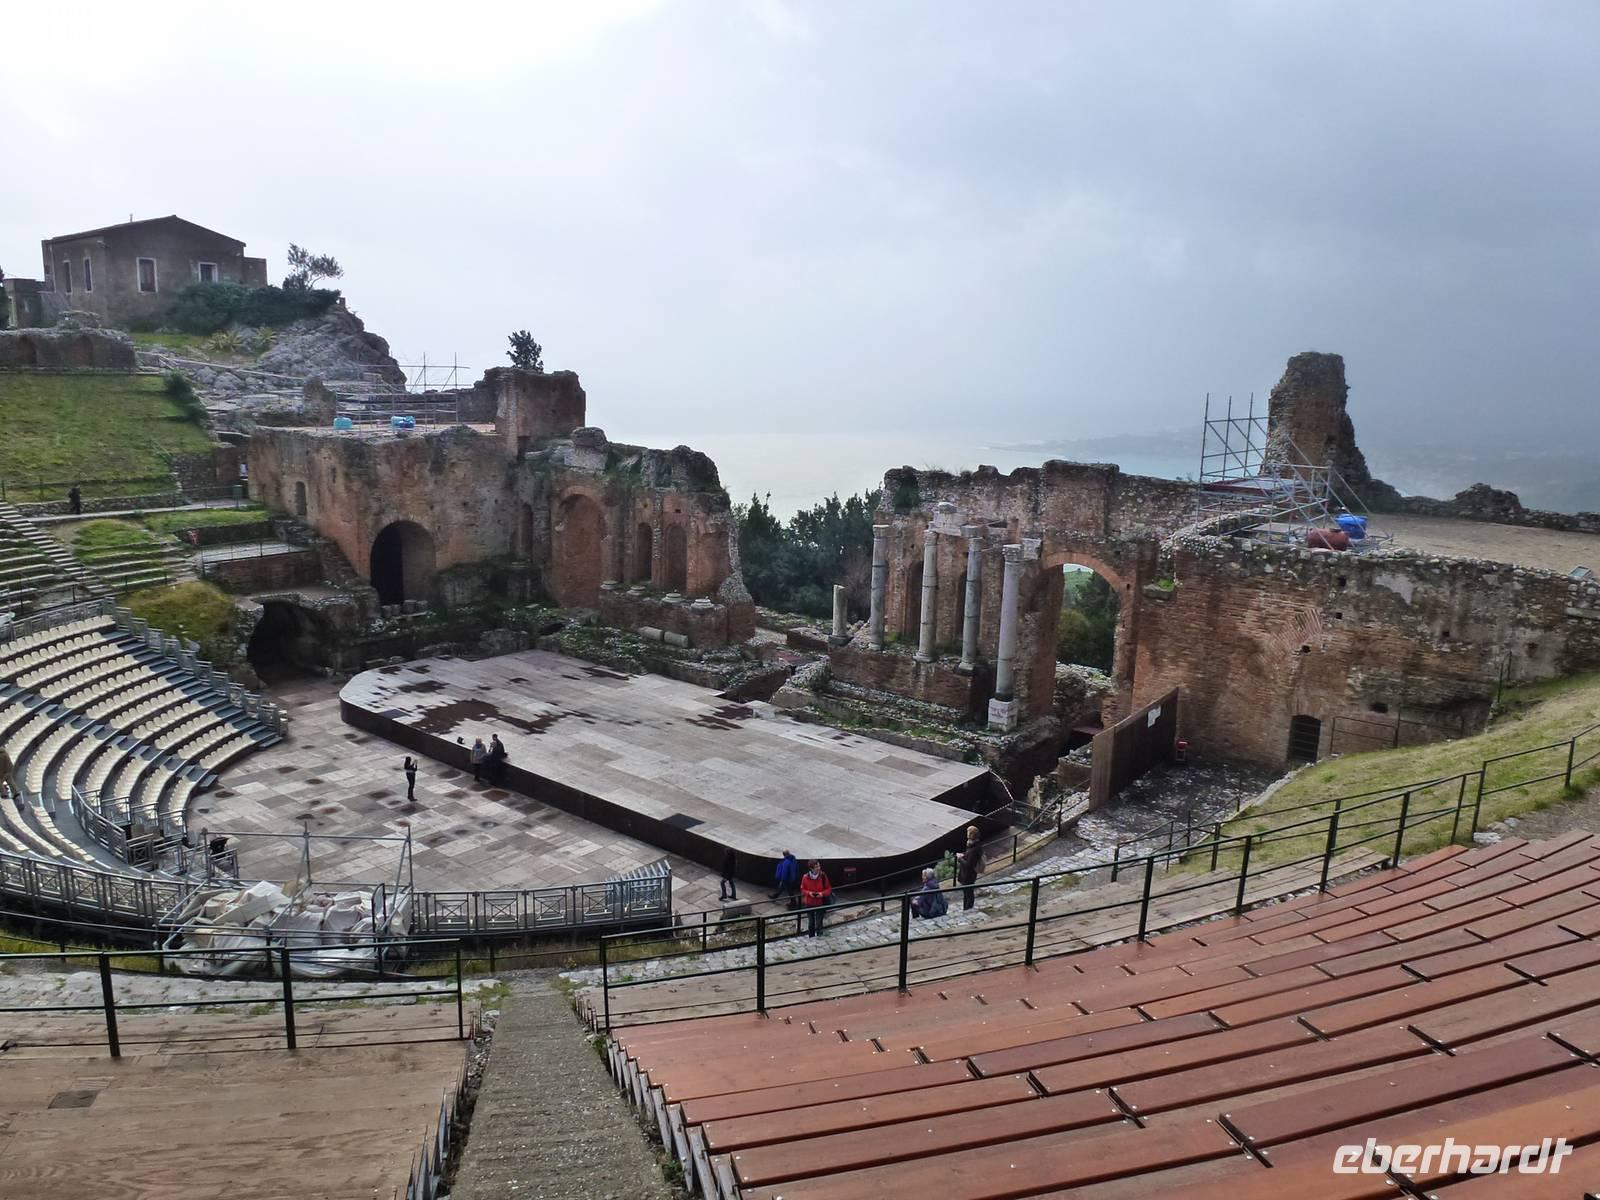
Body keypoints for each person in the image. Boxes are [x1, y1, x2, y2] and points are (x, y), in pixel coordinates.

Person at [800, 859, 832, 936]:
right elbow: (802, 889)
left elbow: (828, 889)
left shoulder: (823, 876)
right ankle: (811, 937)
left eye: (819, 866)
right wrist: (809, 893)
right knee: (811, 924)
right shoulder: (805, 877)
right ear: (811, 868)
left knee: (818, 923)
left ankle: (819, 937)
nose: (818, 868)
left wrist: (822, 894)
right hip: (809, 903)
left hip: (820, 903)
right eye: (816, 867)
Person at [957, 825, 983, 911]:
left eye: (968, 832)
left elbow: (969, 864)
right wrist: (963, 855)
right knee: (967, 892)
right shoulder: (972, 845)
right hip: (967, 874)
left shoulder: (975, 849)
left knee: (968, 893)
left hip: (968, 875)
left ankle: (967, 909)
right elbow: (968, 856)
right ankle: (966, 908)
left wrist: (960, 859)